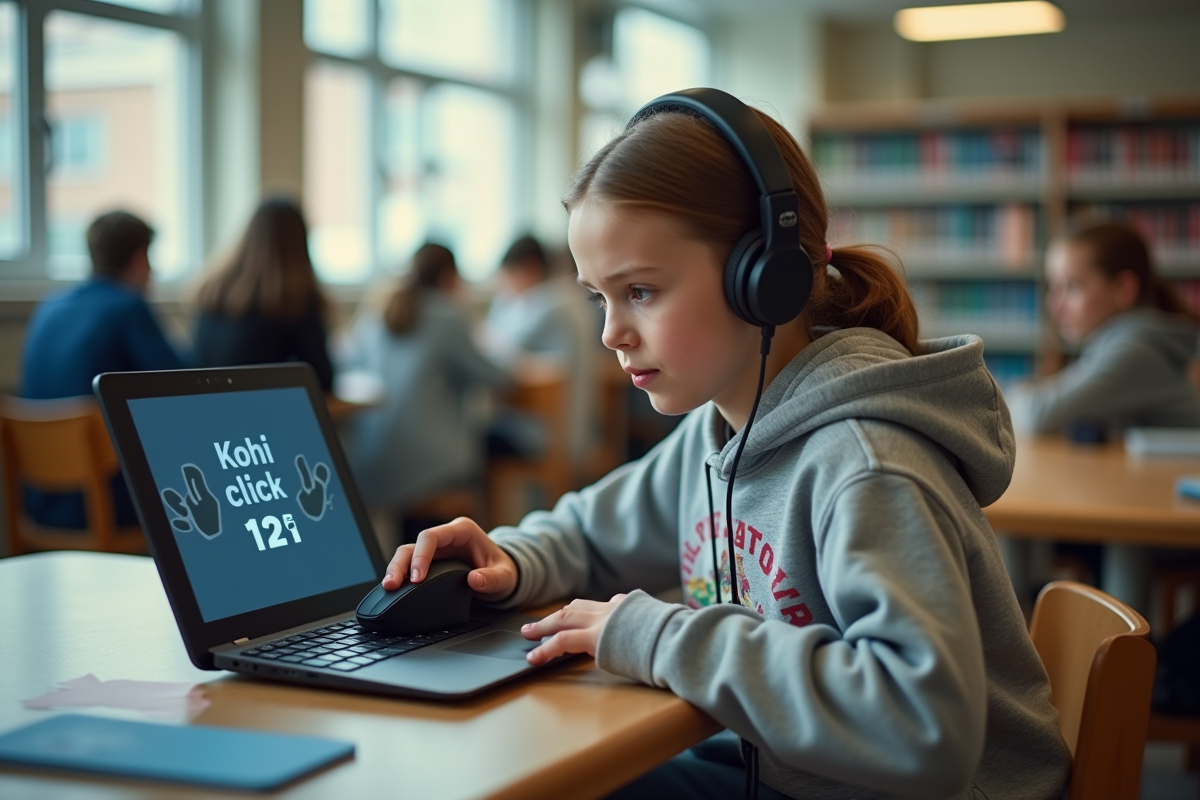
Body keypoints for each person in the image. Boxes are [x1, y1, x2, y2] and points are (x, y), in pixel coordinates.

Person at [378, 90, 1070, 799]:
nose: (611, 332)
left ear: (764, 281)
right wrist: (512, 560)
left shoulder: (865, 466)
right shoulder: (715, 430)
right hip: (783, 769)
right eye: (598, 297)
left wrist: (660, 635)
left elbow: (926, 728)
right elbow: (590, 533)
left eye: (640, 291)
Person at [21, 209, 185, 528]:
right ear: (140, 258)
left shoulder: (49, 306)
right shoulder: (128, 308)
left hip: (41, 499)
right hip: (102, 503)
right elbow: (180, 385)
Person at [339, 244, 509, 538]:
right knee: (481, 460)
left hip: (368, 463)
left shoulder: (377, 312)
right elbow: (499, 377)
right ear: (449, 277)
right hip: (429, 468)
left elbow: (349, 365)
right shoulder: (447, 316)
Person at [1008, 219, 1200, 435]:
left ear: (1123, 289)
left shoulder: (1135, 350)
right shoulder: (1117, 341)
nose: (1055, 304)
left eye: (1072, 287)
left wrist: (1013, 394)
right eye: (1054, 286)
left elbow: (1039, 417)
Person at [193, 198, 334, 390]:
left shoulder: (213, 290)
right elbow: (322, 379)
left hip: (205, 410)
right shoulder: (292, 301)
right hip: (258, 412)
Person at [480, 235, 596, 467]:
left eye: (509, 278)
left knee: (475, 436)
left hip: (549, 434)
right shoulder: (564, 300)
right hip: (569, 426)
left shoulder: (546, 305)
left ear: (528, 270)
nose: (507, 288)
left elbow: (494, 350)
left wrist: (502, 304)